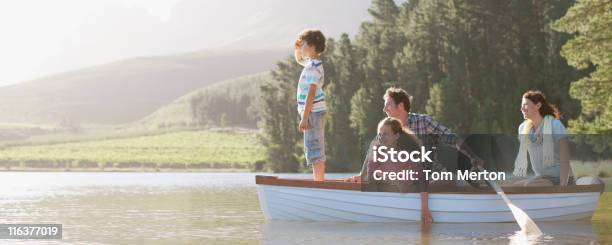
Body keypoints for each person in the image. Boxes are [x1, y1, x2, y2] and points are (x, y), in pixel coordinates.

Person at [379, 87, 484, 177]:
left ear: (401, 106)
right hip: (405, 180)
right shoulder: (386, 130)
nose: (384, 109)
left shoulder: (423, 122)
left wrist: (473, 156)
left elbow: (452, 139)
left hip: (432, 176)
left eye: (388, 105)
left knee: (448, 180)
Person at [350, 117, 433, 223]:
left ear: (396, 136)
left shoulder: (406, 151)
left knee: (447, 182)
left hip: (416, 187)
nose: (381, 137)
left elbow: (422, 177)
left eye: (385, 134)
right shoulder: (377, 151)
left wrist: (425, 207)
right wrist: (393, 179)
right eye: (380, 134)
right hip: (401, 188)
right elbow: (371, 176)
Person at [512, 90, 574, 186]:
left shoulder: (555, 125)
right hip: (541, 178)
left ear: (538, 105)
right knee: (515, 186)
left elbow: (565, 159)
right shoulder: (523, 128)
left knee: (528, 186)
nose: (522, 109)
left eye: (525, 105)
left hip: (560, 178)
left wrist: (563, 187)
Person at [294, 29, 327, 181]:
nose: (301, 47)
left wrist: (304, 117)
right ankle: (318, 181)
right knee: (313, 146)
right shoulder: (311, 64)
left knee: (314, 147)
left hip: (312, 112)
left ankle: (319, 182)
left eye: (304, 44)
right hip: (312, 112)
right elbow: (299, 59)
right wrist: (297, 46)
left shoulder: (313, 67)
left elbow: (311, 93)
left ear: (312, 46)